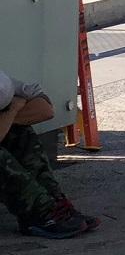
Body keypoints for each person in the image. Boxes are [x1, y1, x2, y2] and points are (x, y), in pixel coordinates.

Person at [0, 71, 98, 238]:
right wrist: (13, 109)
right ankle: (39, 212)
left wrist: (7, 119)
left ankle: (54, 203)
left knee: (19, 133)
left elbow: (44, 110)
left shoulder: (5, 84)